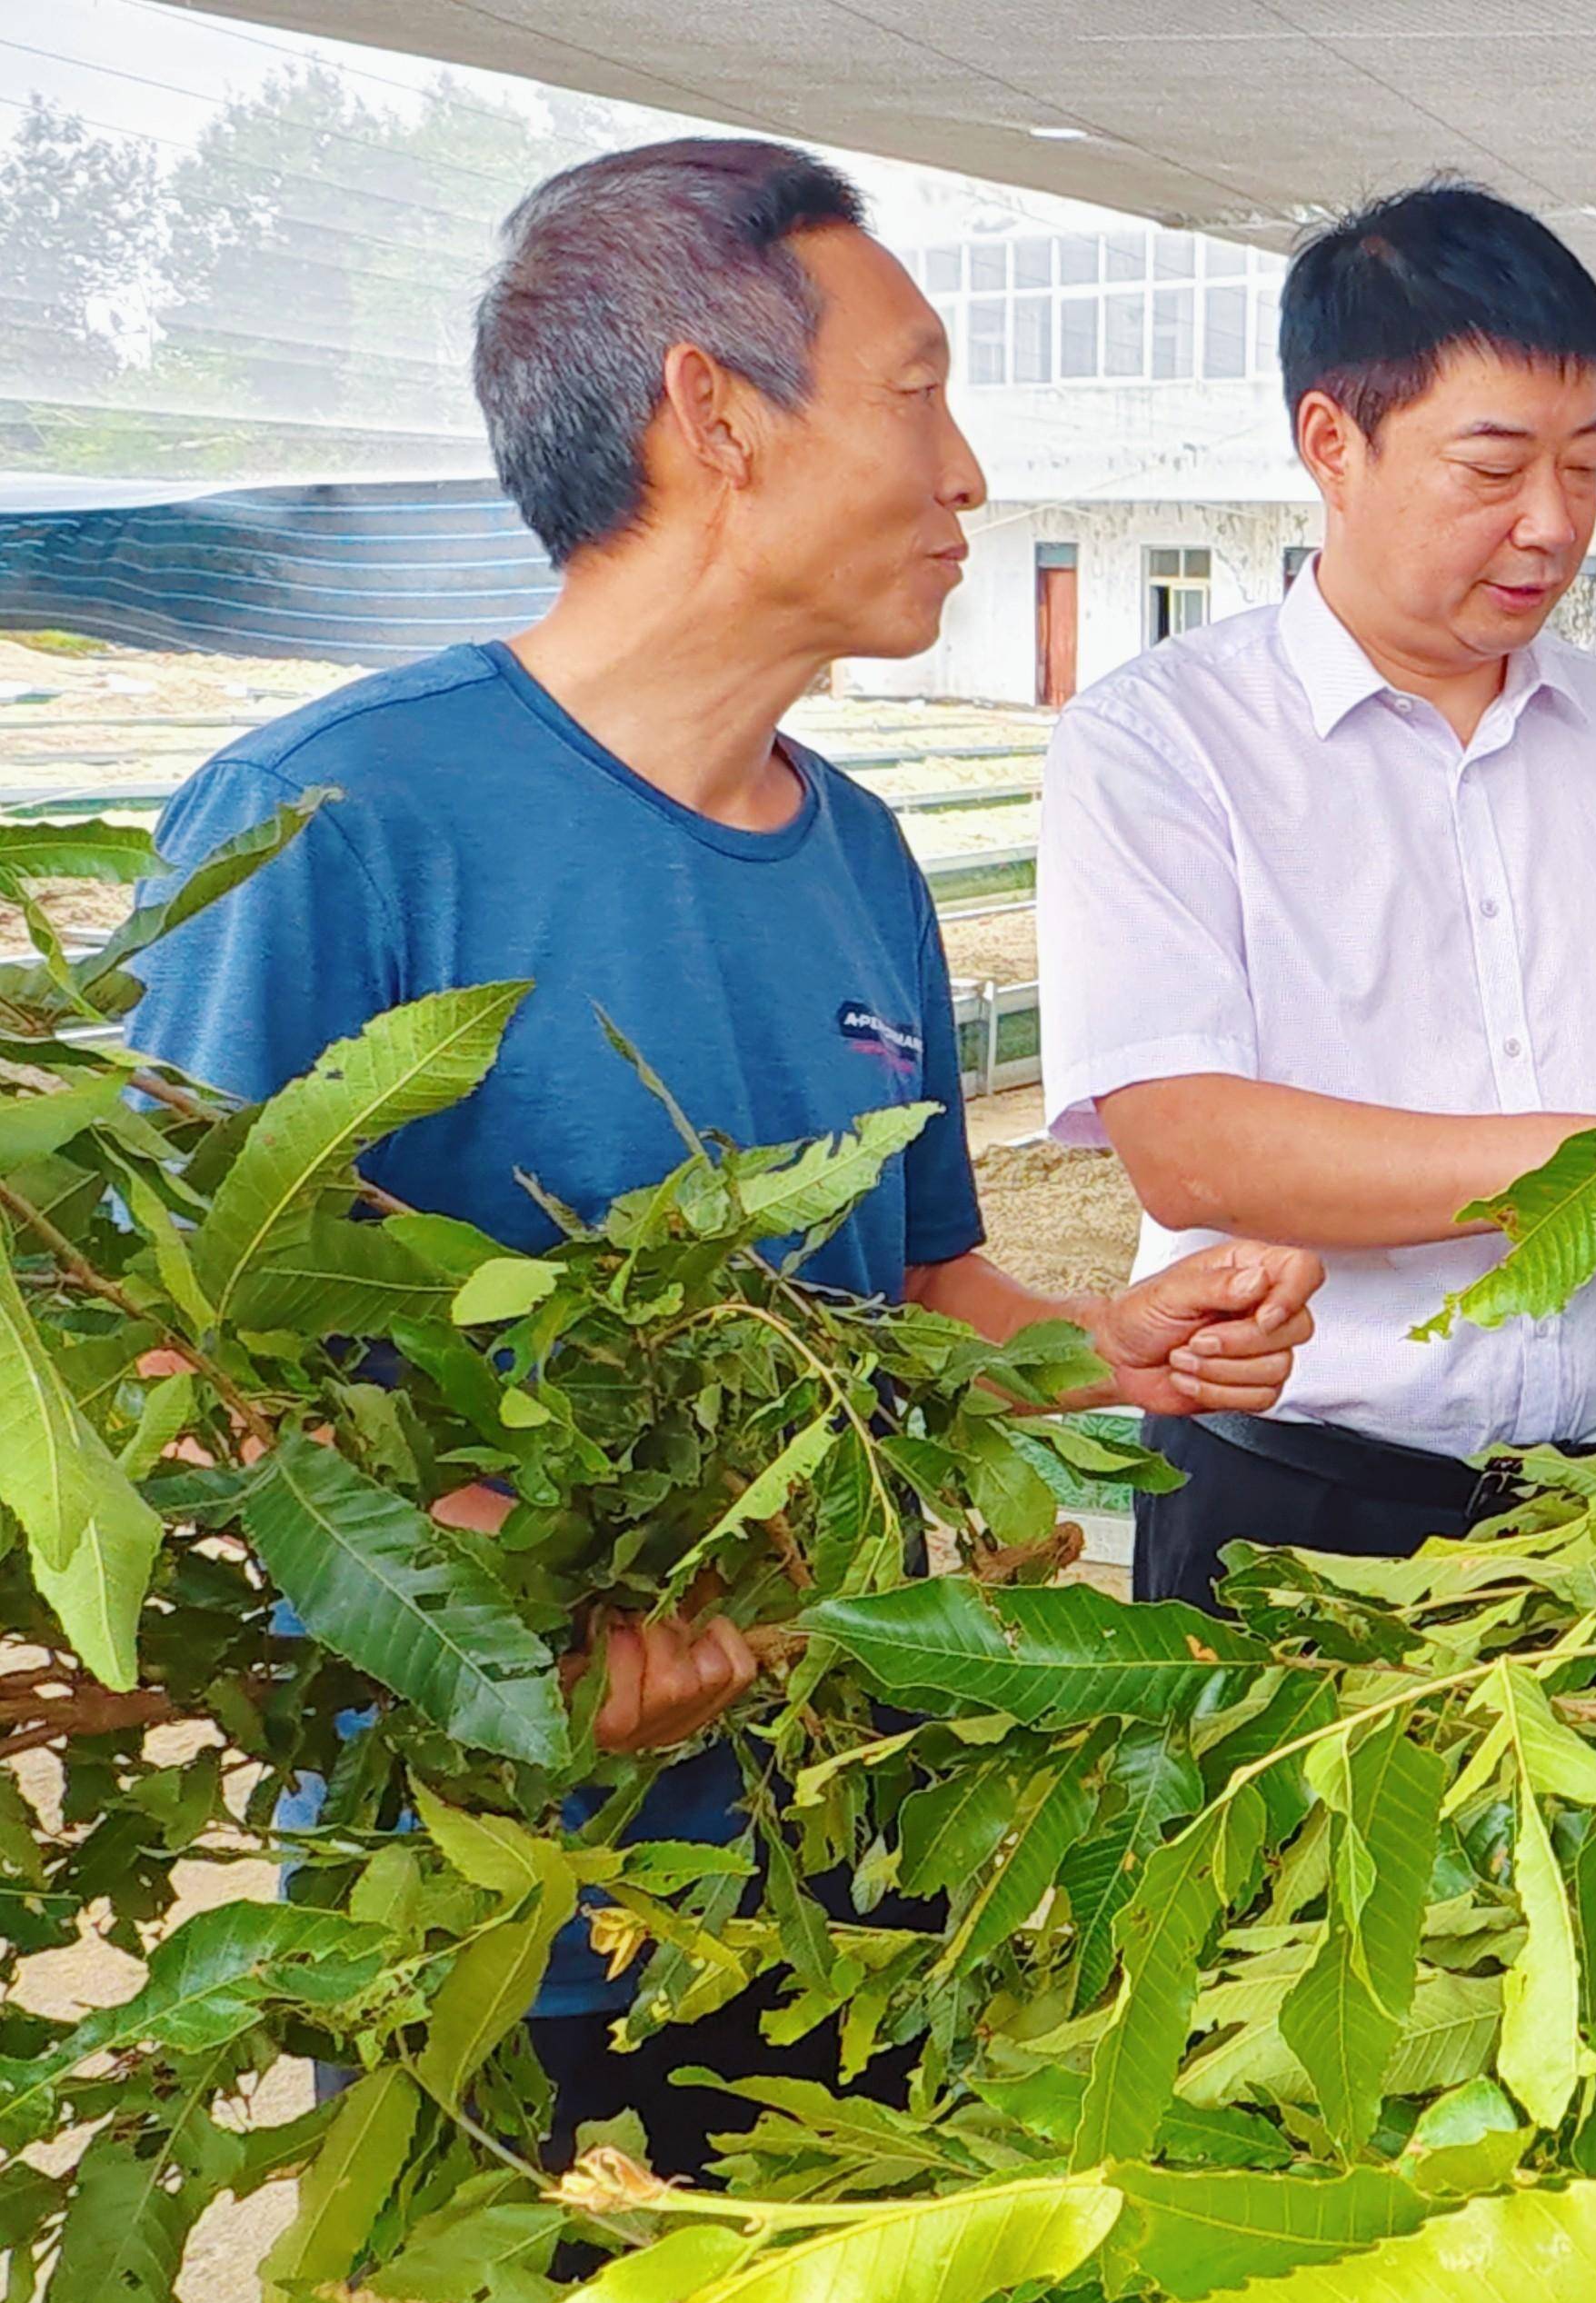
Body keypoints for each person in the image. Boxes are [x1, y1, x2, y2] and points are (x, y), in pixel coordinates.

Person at [128, 138, 1322, 2172]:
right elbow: (169, 1367)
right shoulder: (336, 818)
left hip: (853, 1864)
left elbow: (919, 1277)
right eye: (917, 389)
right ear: (715, 417)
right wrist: (503, 1619)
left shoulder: (856, 850)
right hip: (512, 1929)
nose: (965, 475)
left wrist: (1097, 1346)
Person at [1037, 181, 1596, 1601]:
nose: (1551, 523)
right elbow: (1192, 1147)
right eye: (1495, 466)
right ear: (1333, 443)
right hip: (1289, 1503)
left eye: (1584, 464)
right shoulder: (1163, 745)